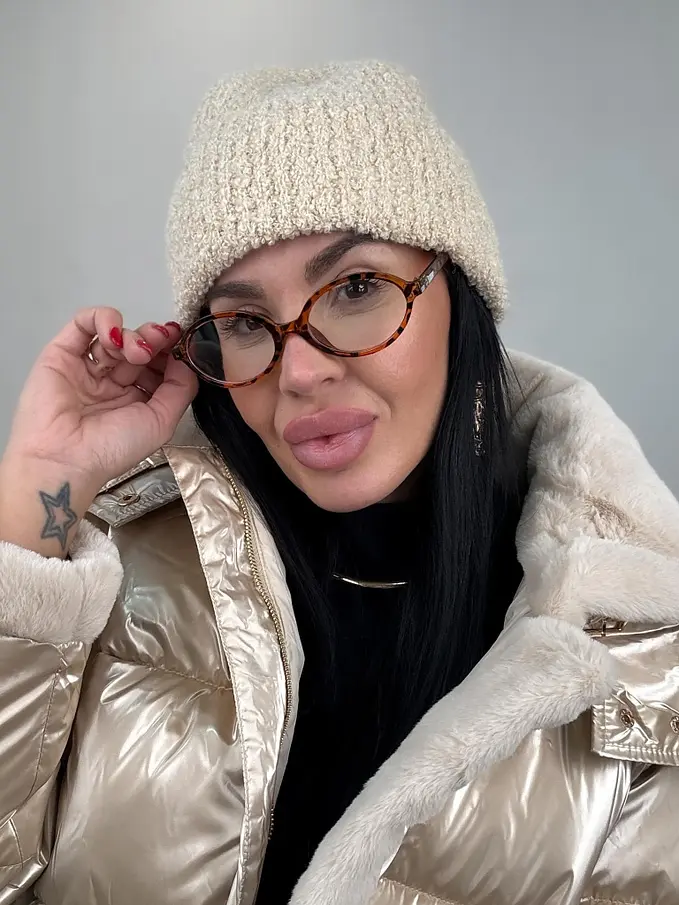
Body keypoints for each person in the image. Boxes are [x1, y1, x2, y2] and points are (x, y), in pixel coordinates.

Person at [1, 60, 678, 905]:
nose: (301, 371)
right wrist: (41, 487)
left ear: (460, 297)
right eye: (246, 321)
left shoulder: (641, 662)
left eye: (356, 287)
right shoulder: (112, 565)